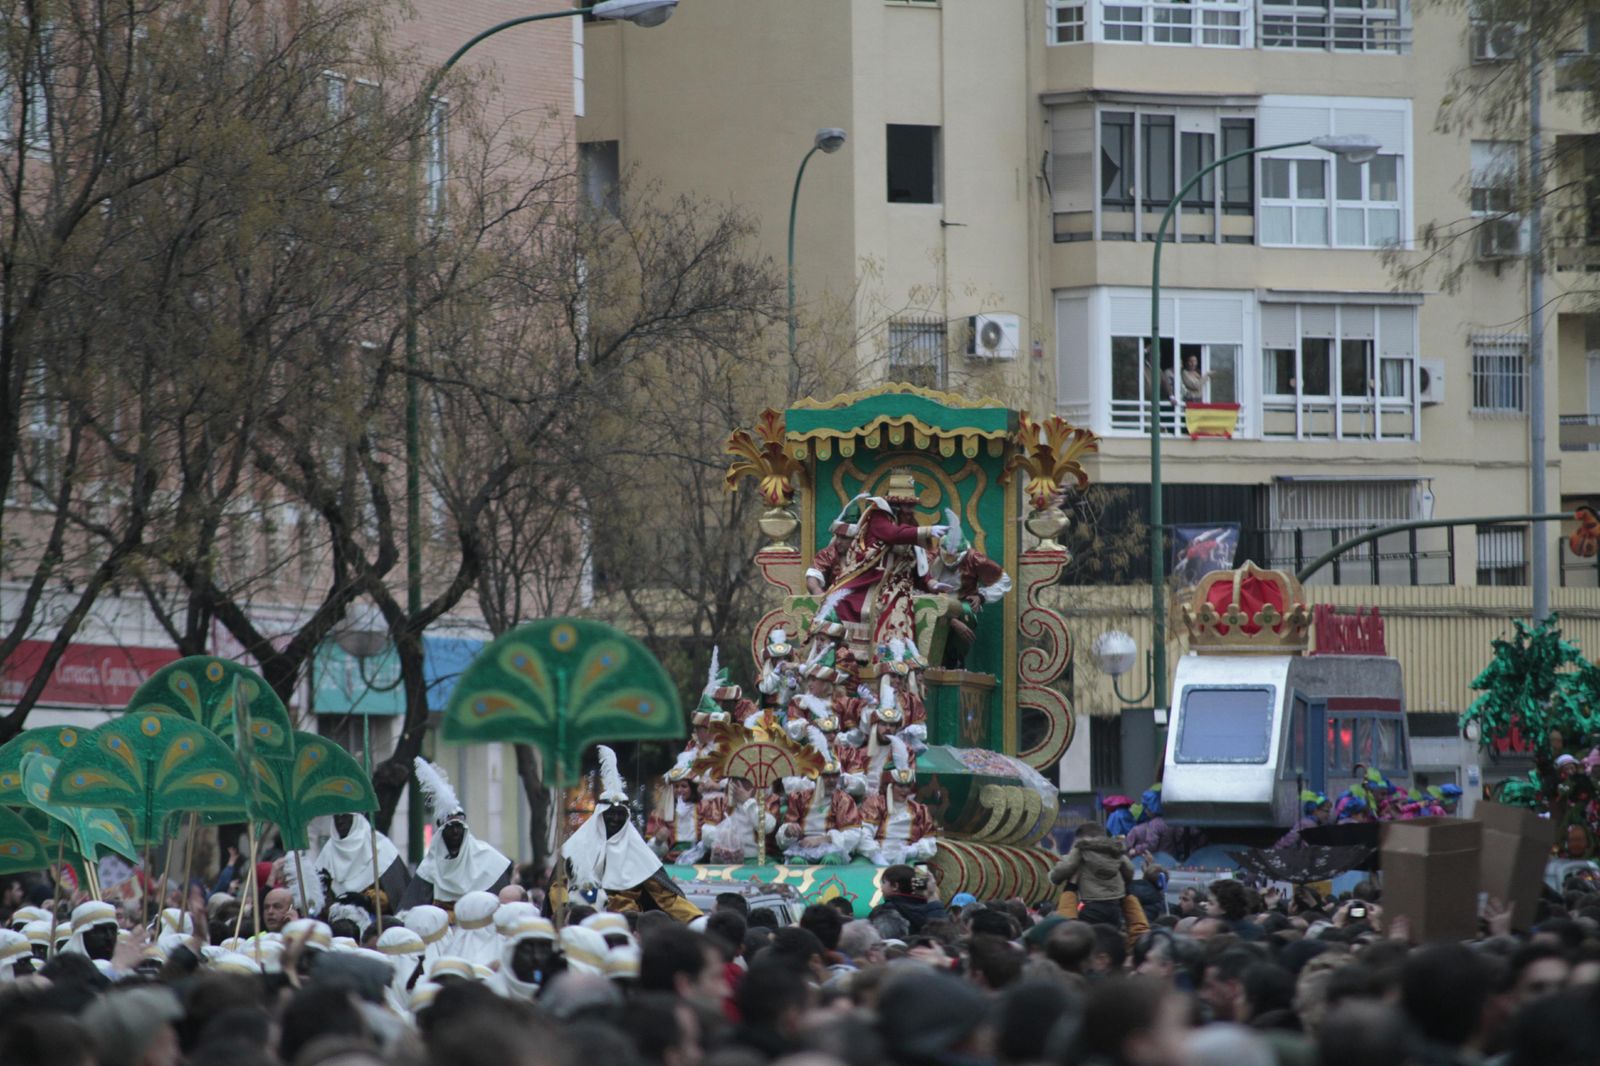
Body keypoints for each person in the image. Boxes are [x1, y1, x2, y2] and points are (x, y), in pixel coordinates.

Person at [811, 470, 948, 652]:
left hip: (899, 586)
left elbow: (918, 565)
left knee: (897, 608)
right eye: (907, 507)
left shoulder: (911, 527)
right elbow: (892, 535)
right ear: (896, 505)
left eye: (911, 507)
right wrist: (926, 531)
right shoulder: (879, 517)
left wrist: (933, 584)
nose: (910, 512)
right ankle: (844, 654)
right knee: (842, 603)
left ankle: (891, 657)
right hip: (868, 581)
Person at [562, 746, 702, 922]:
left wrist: (697, 920)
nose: (614, 819)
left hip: (629, 923)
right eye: (610, 815)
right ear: (600, 816)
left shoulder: (636, 849)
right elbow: (558, 890)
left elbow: (667, 898)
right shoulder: (577, 847)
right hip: (586, 922)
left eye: (620, 815)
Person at [400, 758, 514, 911]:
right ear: (441, 832)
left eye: (459, 827)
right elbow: (411, 911)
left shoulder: (489, 860)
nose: (455, 832)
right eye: (450, 828)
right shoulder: (429, 869)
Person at [314, 813, 409, 918]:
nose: (339, 821)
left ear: (356, 818)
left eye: (345, 816)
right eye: (336, 817)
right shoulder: (327, 853)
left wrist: (370, 900)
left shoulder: (381, 847)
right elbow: (317, 900)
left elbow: (398, 896)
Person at [1051, 823, 1134, 927]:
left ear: (1080, 838)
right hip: (1115, 904)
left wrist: (1054, 878)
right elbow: (1130, 868)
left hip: (1092, 904)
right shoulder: (1114, 849)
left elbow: (1067, 866)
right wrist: (1125, 881)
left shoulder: (1081, 849)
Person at [878, 863, 945, 935]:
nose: (881, 887)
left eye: (884, 882)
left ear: (895, 886)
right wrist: (932, 896)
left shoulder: (887, 909)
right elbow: (942, 932)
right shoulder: (930, 909)